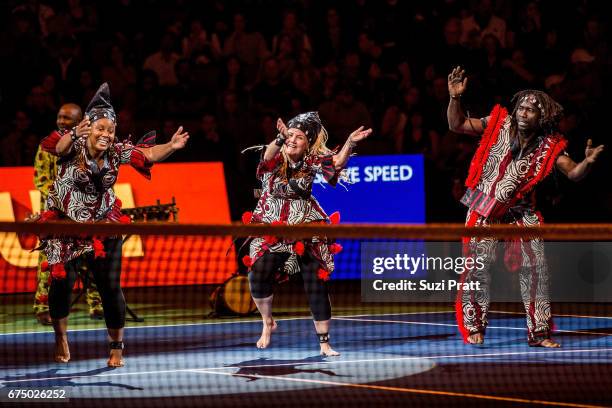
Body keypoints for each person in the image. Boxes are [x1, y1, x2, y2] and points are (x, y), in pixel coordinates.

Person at [447, 66, 604, 347]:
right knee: (477, 267)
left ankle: (539, 332)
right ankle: (474, 326)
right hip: (484, 204)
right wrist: (455, 98)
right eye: (521, 107)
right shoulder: (498, 124)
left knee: (536, 266)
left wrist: (587, 164)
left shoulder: (550, 146)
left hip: (520, 210)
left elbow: (573, 172)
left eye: (531, 109)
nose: (523, 111)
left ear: (541, 116)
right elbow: (456, 125)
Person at [38, 83, 189, 366]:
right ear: (88, 127)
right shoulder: (74, 145)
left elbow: (149, 155)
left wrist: (171, 145)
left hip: (103, 224)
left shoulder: (117, 151)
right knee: (61, 284)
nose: (106, 134)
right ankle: (60, 338)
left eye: (111, 129)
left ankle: (116, 347)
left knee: (110, 286)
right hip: (66, 226)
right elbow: (57, 148)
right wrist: (73, 133)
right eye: (101, 129)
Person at [242, 112, 371, 356]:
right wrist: (280, 139)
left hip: (304, 224)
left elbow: (335, 165)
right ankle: (267, 322)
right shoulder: (274, 154)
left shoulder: (312, 161)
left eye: (298, 137)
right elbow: (268, 156)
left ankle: (324, 343)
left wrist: (350, 143)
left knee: (315, 281)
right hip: (271, 223)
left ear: (307, 143)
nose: (292, 140)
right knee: (258, 273)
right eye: (289, 135)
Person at [33, 103, 104, 325]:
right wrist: (64, 200)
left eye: (67, 119)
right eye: (59, 117)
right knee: (49, 260)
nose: (61, 121)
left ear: (80, 122)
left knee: (93, 255)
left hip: (84, 213)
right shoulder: (47, 145)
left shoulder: (90, 144)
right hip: (56, 214)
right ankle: (43, 305)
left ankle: (96, 303)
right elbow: (42, 180)